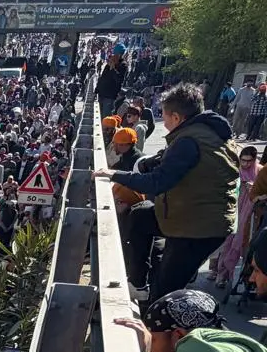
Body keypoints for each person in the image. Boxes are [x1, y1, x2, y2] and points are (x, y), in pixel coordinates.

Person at [102, 83, 240, 301]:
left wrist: (114, 174)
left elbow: (158, 183)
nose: (163, 122)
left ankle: (155, 324)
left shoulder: (188, 141)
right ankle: (138, 284)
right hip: (195, 214)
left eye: (164, 117)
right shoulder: (208, 133)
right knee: (141, 216)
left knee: (166, 289)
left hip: (198, 227)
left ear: (176, 117)